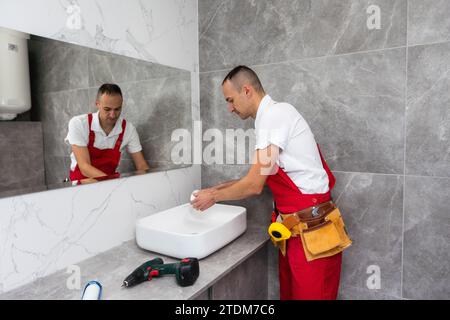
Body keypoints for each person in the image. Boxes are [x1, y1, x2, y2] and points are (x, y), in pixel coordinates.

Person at [191, 66, 342, 300]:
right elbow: (258, 176)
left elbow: (253, 185)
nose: (229, 108)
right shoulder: (270, 119)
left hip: (313, 235)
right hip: (297, 233)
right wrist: (214, 189)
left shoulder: (275, 115)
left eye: (230, 100)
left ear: (247, 90)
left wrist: (213, 197)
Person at [65, 83, 149, 181]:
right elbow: (84, 167)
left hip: (110, 186)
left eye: (117, 109)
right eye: (107, 109)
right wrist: (112, 183)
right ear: (97, 104)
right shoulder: (79, 123)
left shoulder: (128, 129)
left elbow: (141, 165)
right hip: (82, 186)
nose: (113, 115)